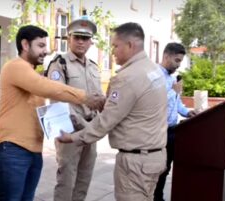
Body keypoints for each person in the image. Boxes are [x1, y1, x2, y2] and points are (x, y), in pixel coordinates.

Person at [58, 22, 168, 200]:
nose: (113, 51)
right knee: (67, 182)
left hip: (135, 163)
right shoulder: (153, 69)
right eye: (77, 37)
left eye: (116, 46)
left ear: (130, 45)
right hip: (154, 156)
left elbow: (106, 121)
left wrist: (72, 138)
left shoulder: (127, 77)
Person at [0, 25, 105, 201]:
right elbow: (50, 89)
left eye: (45, 46)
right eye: (40, 46)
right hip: (14, 149)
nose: (45, 51)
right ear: (25, 45)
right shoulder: (16, 67)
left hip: (33, 149)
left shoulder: (32, 72)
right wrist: (85, 97)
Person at [46, 16, 102, 201]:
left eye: (85, 38)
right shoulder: (60, 64)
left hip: (90, 131)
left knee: (84, 179)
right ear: (68, 38)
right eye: (76, 37)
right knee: (66, 181)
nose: (80, 41)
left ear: (90, 42)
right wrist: (84, 126)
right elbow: (57, 100)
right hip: (69, 131)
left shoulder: (93, 67)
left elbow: (99, 100)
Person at [154, 42, 197, 201]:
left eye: (180, 61)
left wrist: (187, 112)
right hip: (158, 132)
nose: (179, 65)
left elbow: (176, 103)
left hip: (173, 131)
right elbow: (154, 103)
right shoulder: (155, 76)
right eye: (177, 60)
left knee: (166, 168)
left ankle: (159, 196)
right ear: (166, 56)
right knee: (157, 169)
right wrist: (174, 91)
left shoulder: (172, 78)